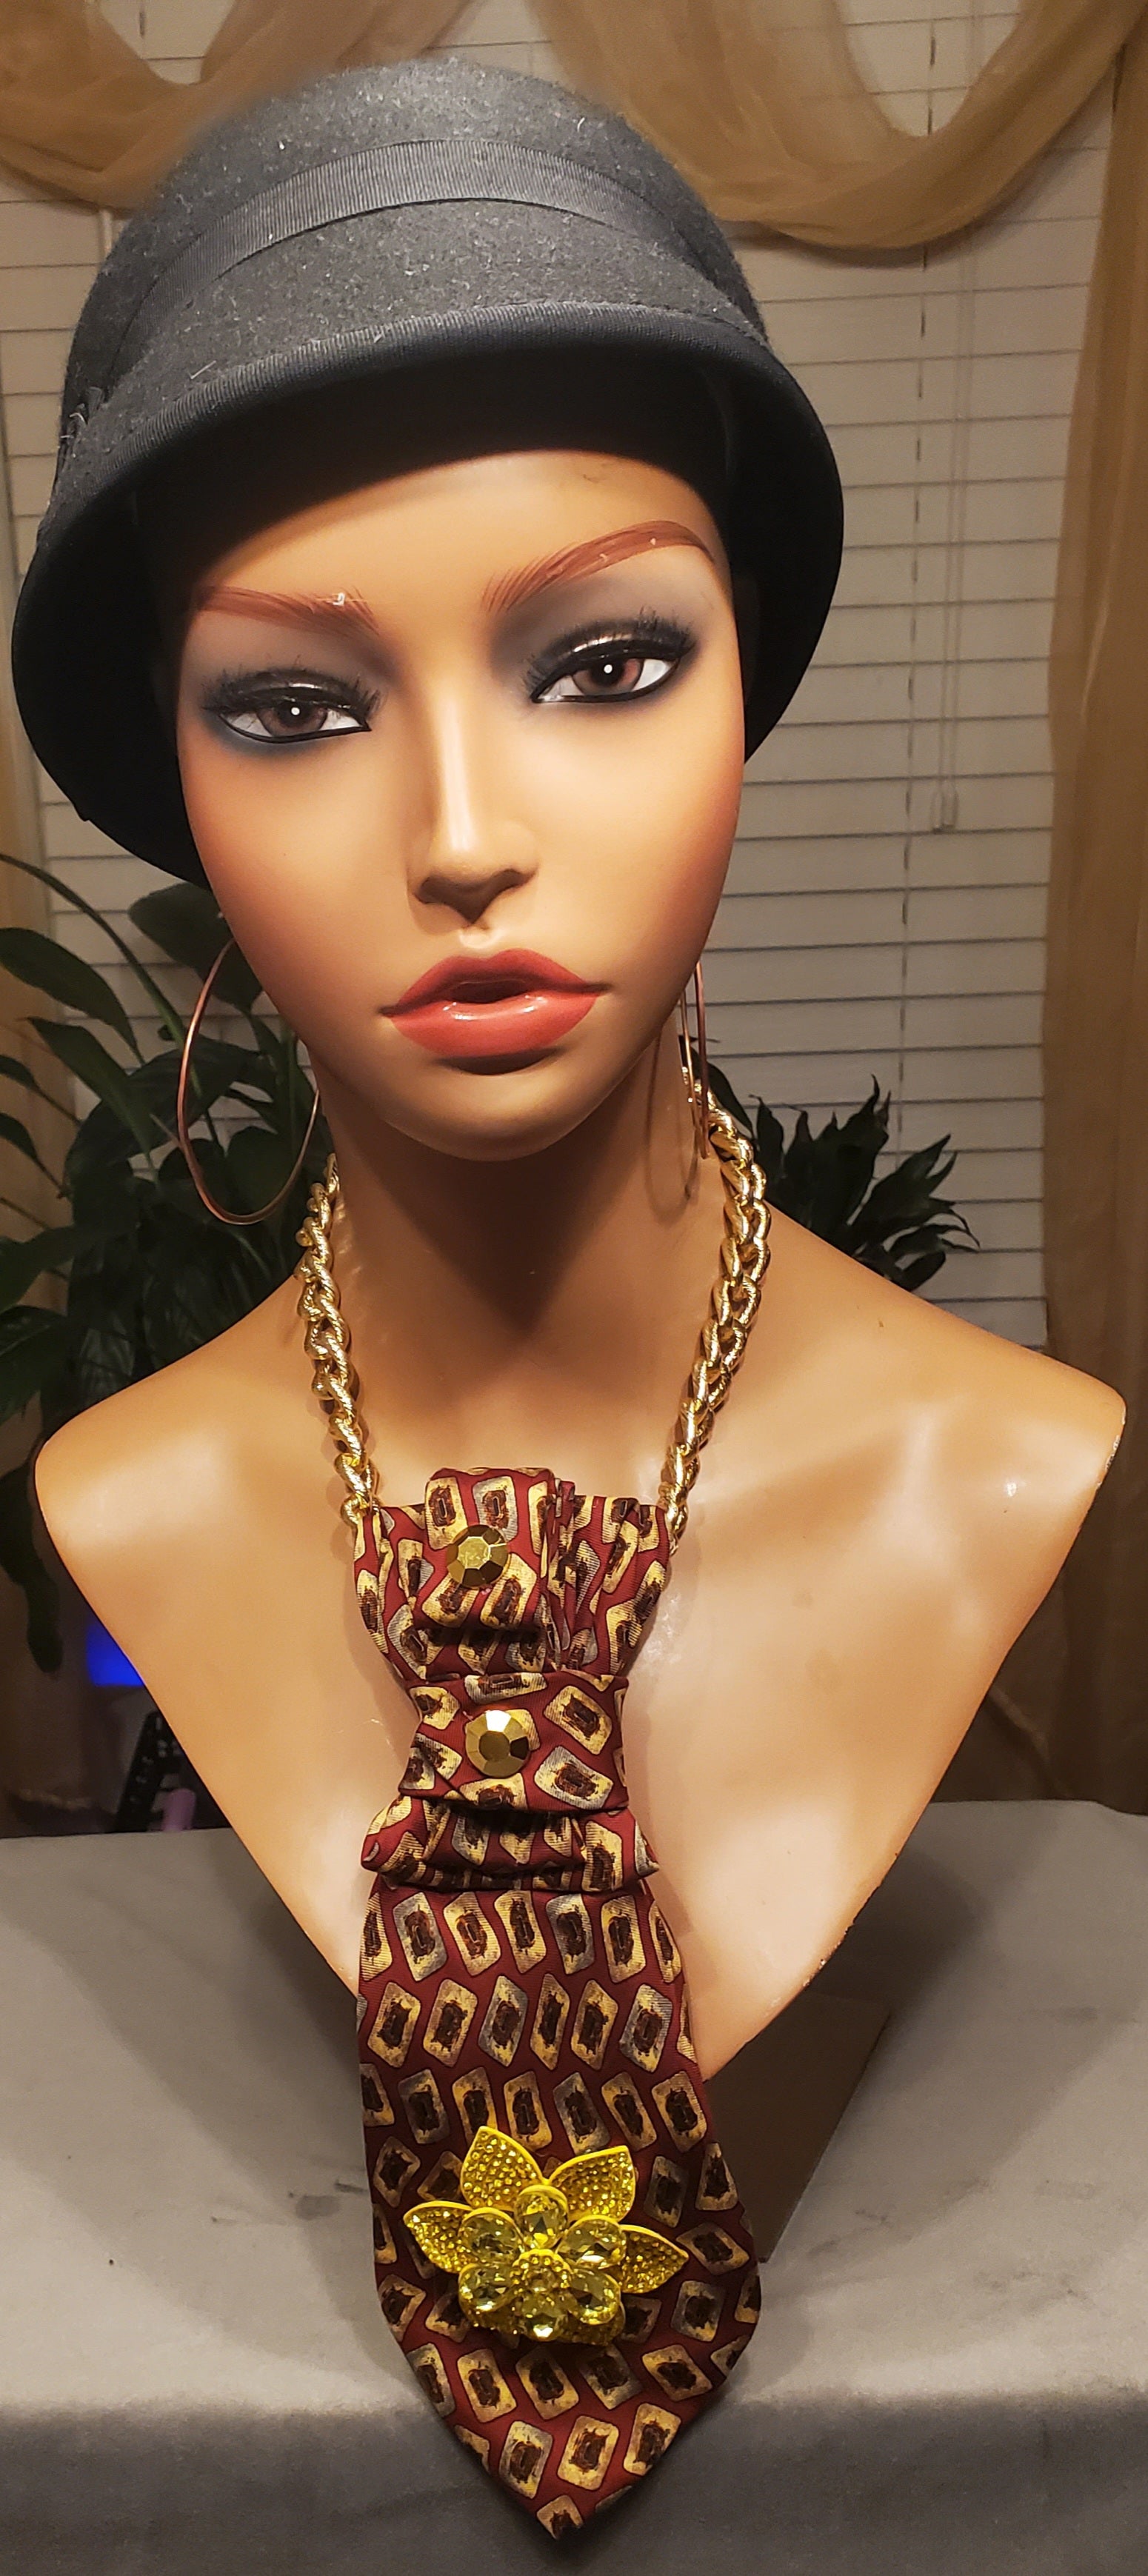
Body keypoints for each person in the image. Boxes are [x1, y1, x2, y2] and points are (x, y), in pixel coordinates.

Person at [11, 58, 1122, 2533]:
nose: (466, 834)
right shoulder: (128, 1494)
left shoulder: (997, 1458)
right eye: (292, 708)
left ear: (750, 690)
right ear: (178, 794)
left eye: (604, 662)